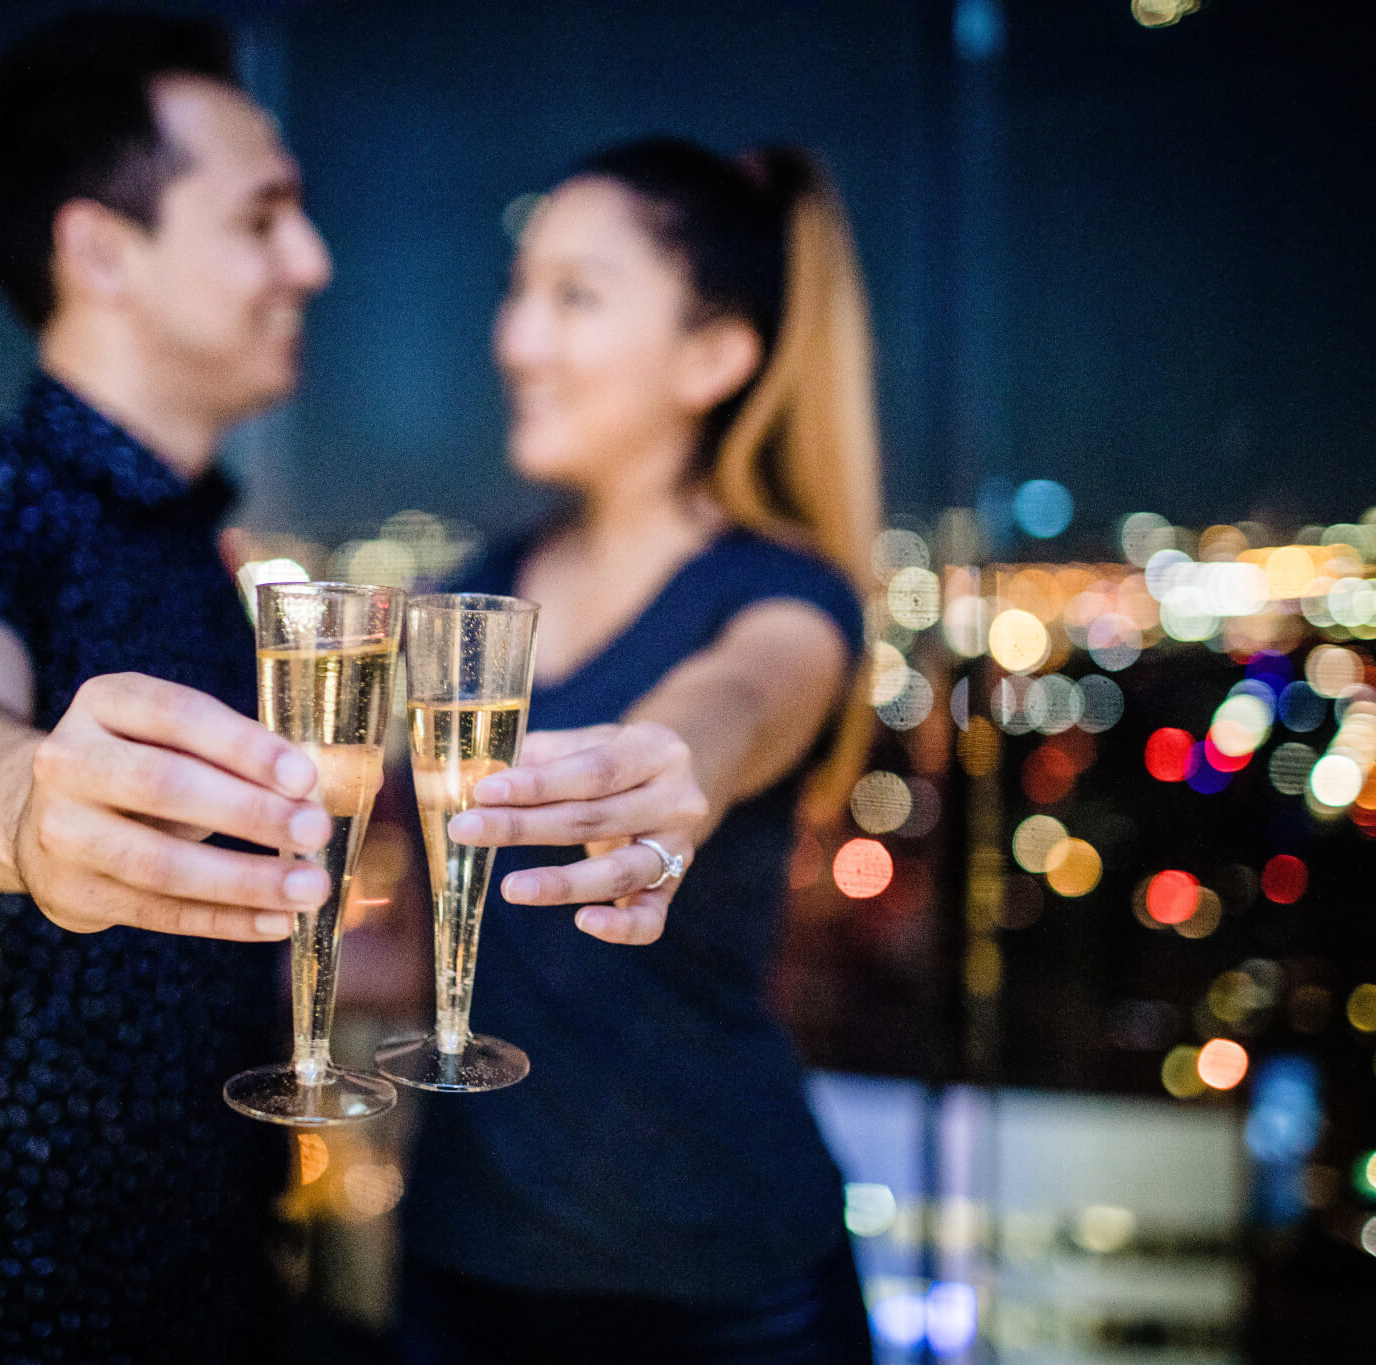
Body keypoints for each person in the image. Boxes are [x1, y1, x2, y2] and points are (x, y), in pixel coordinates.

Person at [0, 13, 706, 1362]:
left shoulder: (200, 557)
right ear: (100, 251)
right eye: (263, 218)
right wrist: (21, 808)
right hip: (2, 1293)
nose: (315, 259)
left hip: (207, 1277)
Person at [398, 138, 882, 1363]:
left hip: (720, 1287)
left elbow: (742, 696)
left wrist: (675, 755)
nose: (515, 339)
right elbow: (450, 945)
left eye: (574, 296)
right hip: (459, 1265)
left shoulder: (779, 597)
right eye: (518, 291)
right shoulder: (481, 590)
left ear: (714, 356)